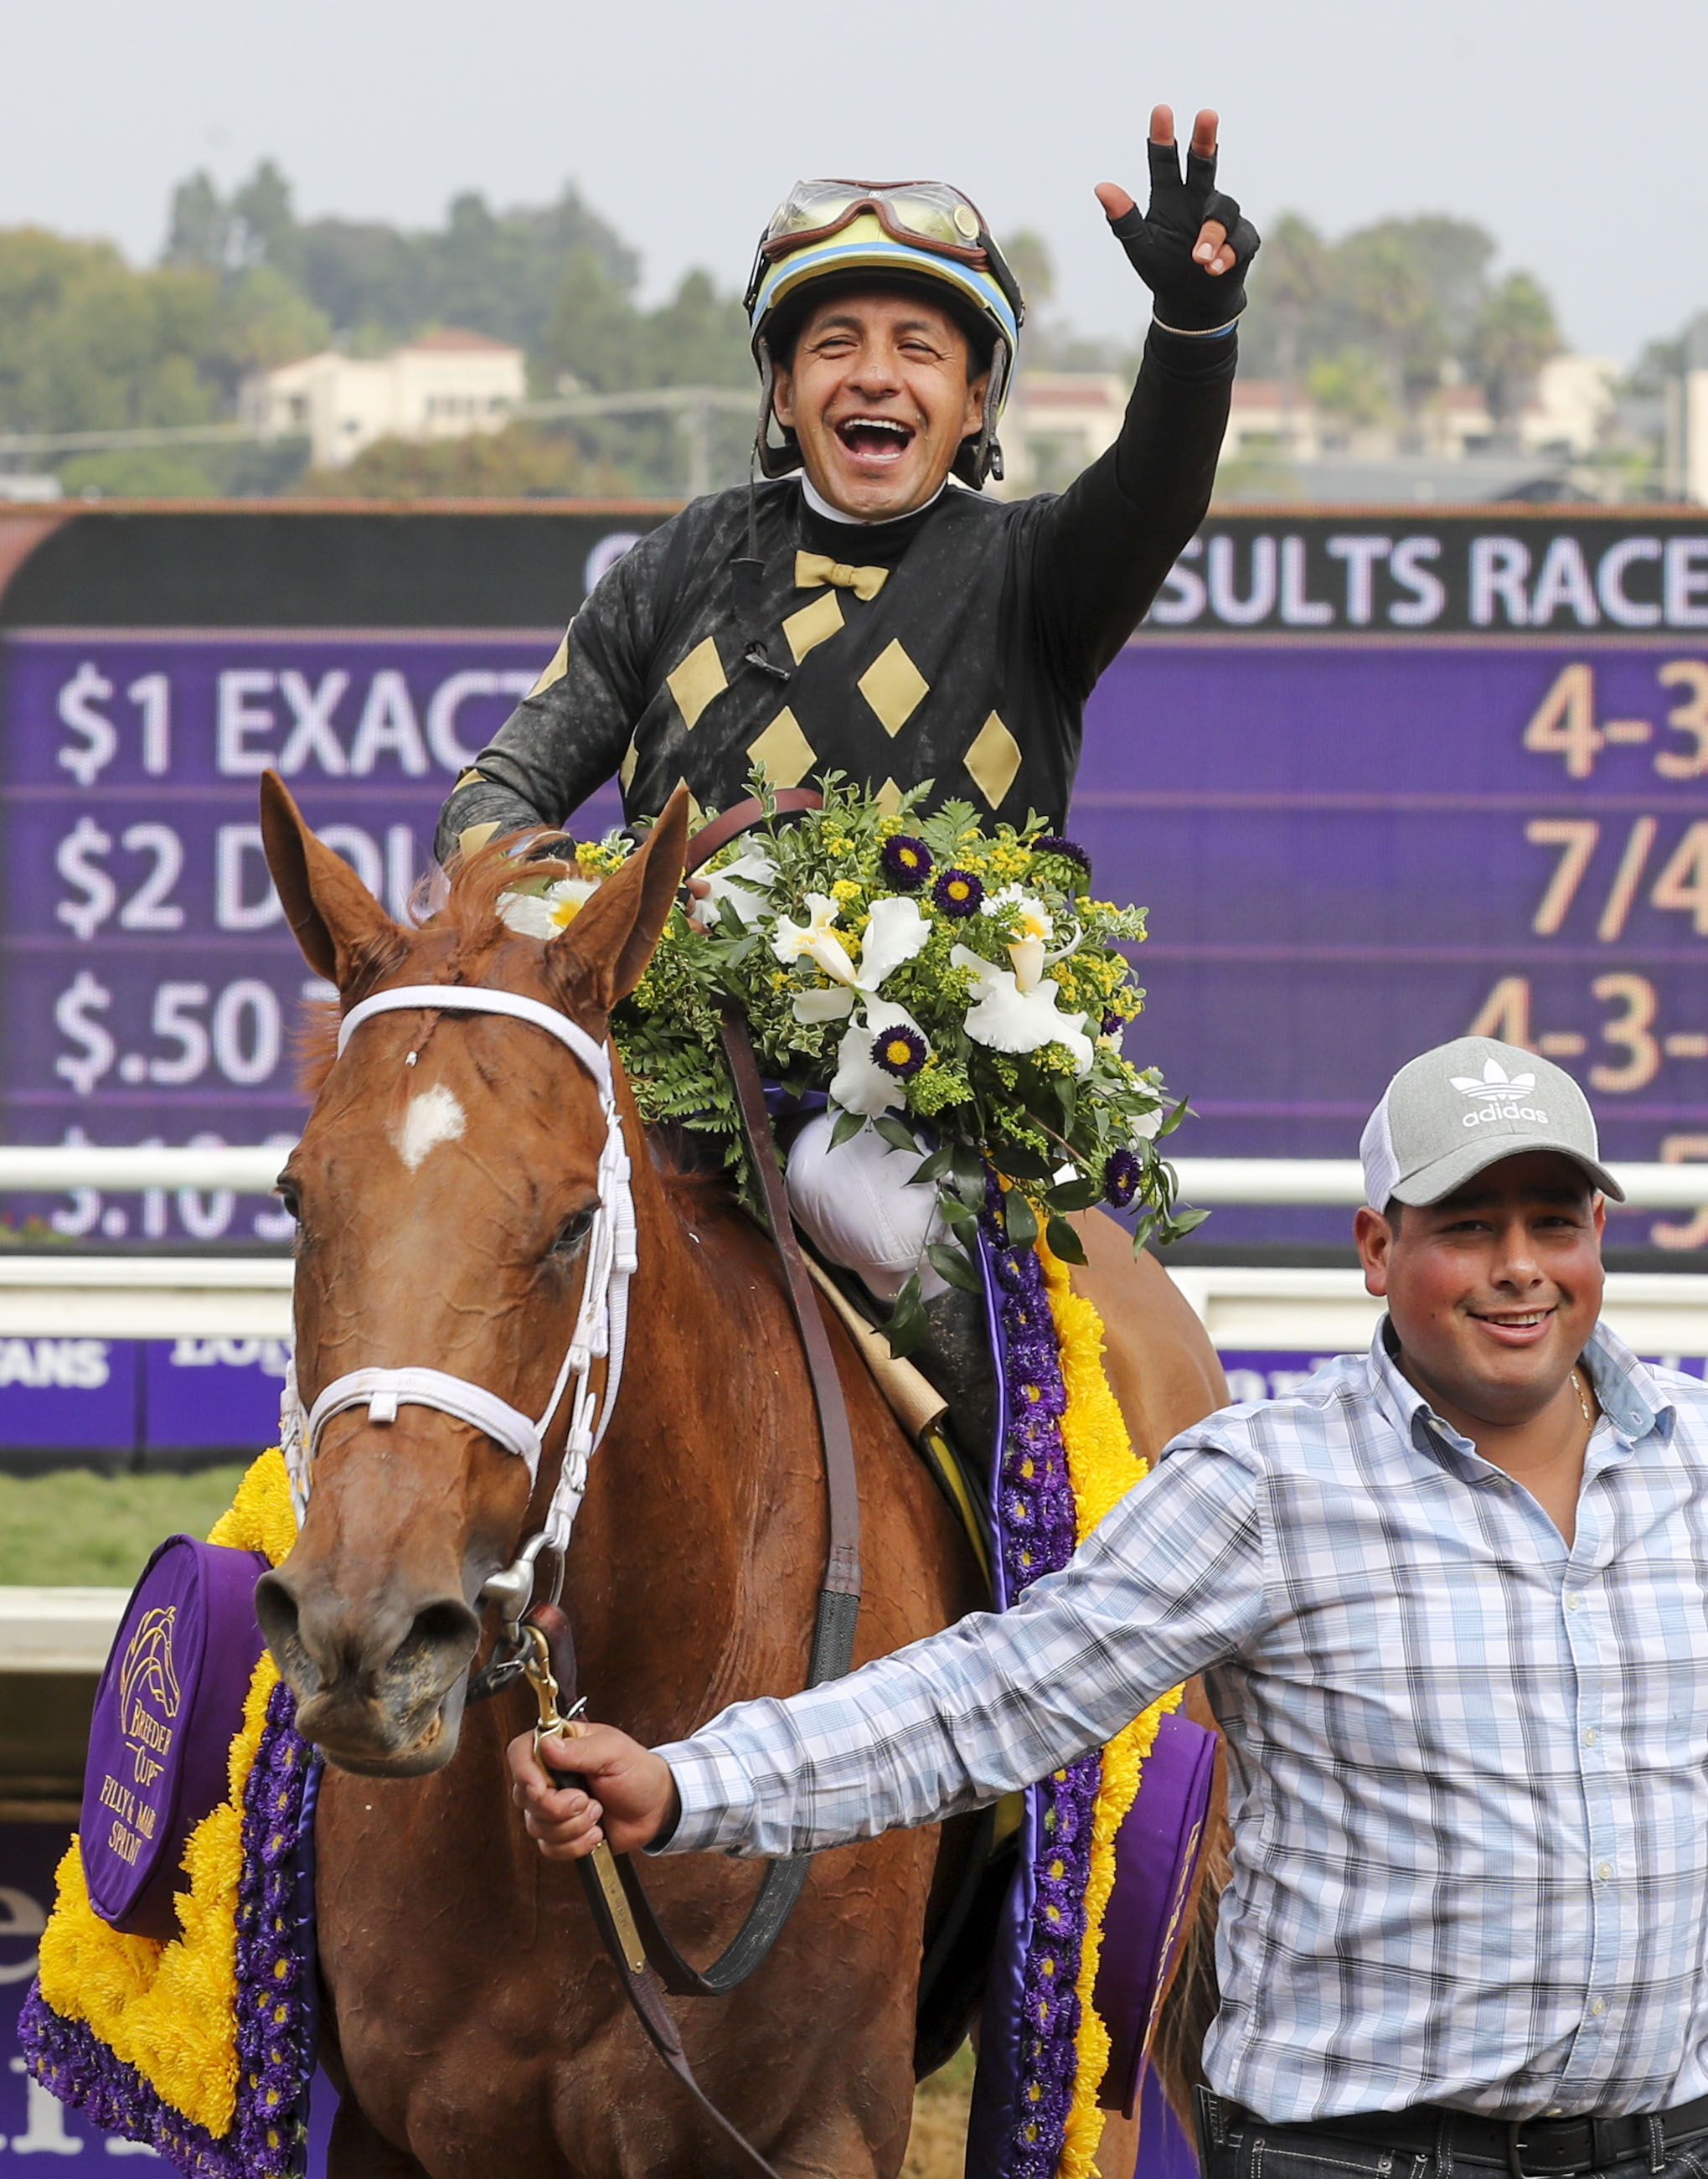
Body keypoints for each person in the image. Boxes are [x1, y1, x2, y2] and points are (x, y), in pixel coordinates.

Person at [510, 1035, 1708, 2179]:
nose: (1518, 1265)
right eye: (1466, 1226)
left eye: (1553, 1223)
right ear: (1378, 1250)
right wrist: (689, 1785)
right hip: (1353, 2151)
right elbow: (993, 1697)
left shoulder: (1696, 1463)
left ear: (1600, 1231)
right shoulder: (1267, 1483)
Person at [435, 115, 1258, 1343]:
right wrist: (600, 906)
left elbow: (1161, 481)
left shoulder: (1043, 573)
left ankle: (1018, 1527)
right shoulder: (676, 566)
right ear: (782, 387)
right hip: (660, 1082)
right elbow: (492, 800)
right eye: (834, 347)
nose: (875, 376)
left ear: (976, 394)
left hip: (919, 1121)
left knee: (862, 1201)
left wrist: (1193, 334)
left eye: (919, 349)